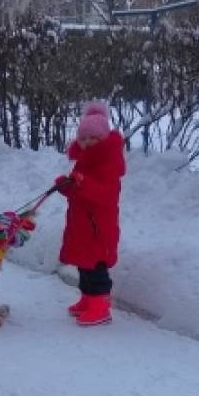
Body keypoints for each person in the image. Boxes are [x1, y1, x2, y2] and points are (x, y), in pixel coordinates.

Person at [54, 101, 125, 326]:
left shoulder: (109, 163)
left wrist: (82, 184)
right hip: (82, 224)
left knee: (96, 268)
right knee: (83, 265)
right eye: (83, 138)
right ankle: (87, 299)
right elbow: (79, 191)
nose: (86, 143)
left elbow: (104, 194)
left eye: (92, 138)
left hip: (98, 227)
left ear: (103, 138)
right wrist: (67, 186)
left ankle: (100, 306)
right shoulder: (84, 162)